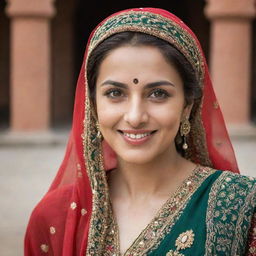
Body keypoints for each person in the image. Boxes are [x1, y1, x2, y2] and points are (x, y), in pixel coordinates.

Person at [24, 7, 256, 256]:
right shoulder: (53, 218)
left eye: (158, 94)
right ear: (92, 106)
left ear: (187, 107)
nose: (135, 117)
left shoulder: (240, 207)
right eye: (115, 93)